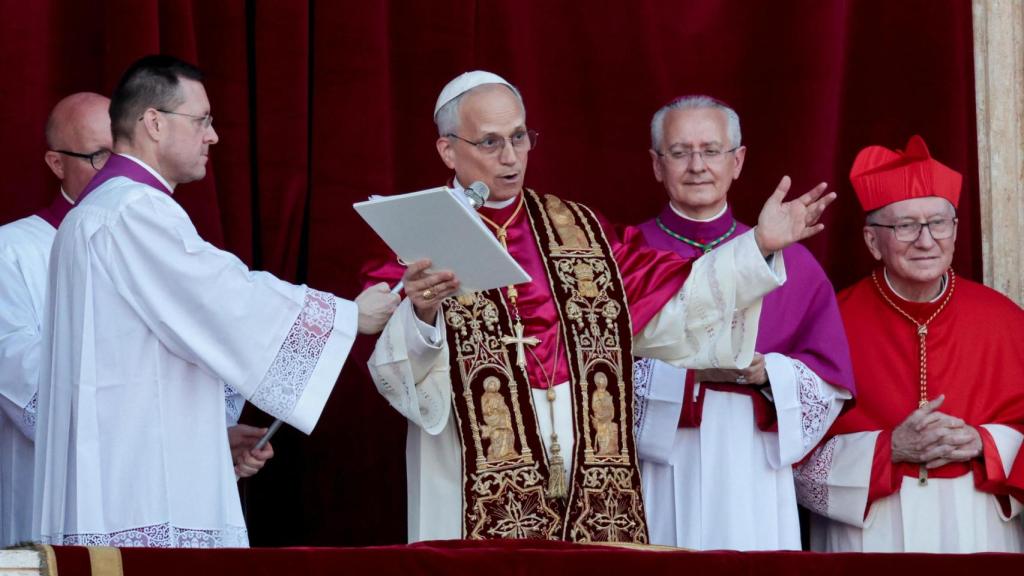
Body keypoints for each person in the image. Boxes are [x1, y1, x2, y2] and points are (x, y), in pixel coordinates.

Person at [363, 71, 836, 543]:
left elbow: (671, 306)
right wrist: (422, 314)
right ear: (448, 149)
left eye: (519, 137)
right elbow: (397, 370)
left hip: (587, 482)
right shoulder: (419, 236)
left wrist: (757, 246)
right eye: (489, 142)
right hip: (470, 476)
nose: (510, 158)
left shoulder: (580, 231)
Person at [33, 55, 399, 548]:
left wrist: (212, 436)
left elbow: (154, 350)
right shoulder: (133, 210)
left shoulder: (97, 211)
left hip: (124, 463)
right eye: (202, 119)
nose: (213, 136)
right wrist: (349, 316)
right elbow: (224, 299)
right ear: (154, 123)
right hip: (141, 489)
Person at [631, 95, 855, 550]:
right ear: (657, 165)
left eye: (711, 150)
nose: (697, 165)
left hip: (750, 462)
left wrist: (768, 372)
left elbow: (830, 381)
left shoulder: (795, 265)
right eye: (680, 152)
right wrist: (683, 376)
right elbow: (591, 369)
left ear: (737, 161)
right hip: (656, 461)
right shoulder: (626, 256)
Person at [794, 135, 1024, 552]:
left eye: (938, 222)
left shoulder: (1006, 321)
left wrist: (984, 443)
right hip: (868, 532)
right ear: (871, 241)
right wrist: (889, 448)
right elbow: (787, 457)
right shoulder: (828, 323)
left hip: (978, 527)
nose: (925, 240)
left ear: (954, 231)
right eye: (905, 225)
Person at [0, 92, 111, 547]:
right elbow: (21, 373)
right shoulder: (13, 249)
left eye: (123, 154)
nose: (116, 172)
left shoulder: (160, 244)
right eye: (98, 156)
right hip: (55, 491)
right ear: (56, 163)